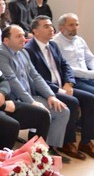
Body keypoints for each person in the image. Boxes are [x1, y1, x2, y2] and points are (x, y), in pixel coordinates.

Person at [0, 25, 74, 159]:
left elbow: (36, 76)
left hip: (30, 95)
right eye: (18, 36)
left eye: (23, 35)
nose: (23, 39)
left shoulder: (23, 52)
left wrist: (51, 96)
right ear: (6, 40)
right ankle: (36, 152)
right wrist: (31, 102)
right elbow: (12, 81)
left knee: (62, 111)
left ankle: (48, 148)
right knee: (43, 114)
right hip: (14, 100)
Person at [27, 16, 94, 158]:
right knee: (72, 102)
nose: (51, 29)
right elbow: (37, 78)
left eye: (51, 25)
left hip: (62, 85)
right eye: (46, 26)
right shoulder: (29, 50)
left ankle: (86, 141)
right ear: (35, 31)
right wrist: (59, 90)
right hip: (45, 89)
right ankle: (67, 142)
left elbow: (66, 66)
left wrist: (69, 83)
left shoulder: (52, 45)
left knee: (89, 99)